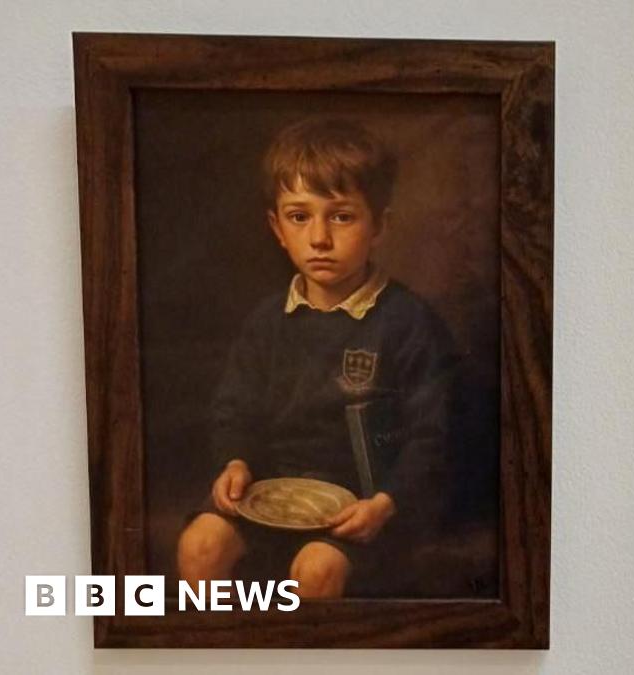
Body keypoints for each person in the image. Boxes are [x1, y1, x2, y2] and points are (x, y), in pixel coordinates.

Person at [175, 117, 458, 599]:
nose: (319, 238)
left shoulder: (407, 322)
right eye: (300, 216)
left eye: (342, 216)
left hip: (364, 510)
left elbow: (432, 438)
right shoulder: (267, 321)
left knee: (316, 570)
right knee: (200, 546)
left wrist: (387, 503)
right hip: (268, 497)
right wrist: (236, 461)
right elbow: (234, 410)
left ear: (380, 226)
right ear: (277, 228)